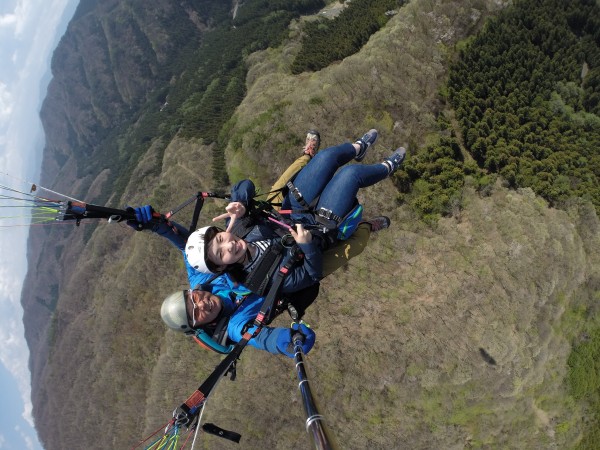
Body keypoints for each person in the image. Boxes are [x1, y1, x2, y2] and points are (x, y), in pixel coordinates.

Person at [184, 129, 406, 294]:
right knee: (350, 175)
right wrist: (307, 245)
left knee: (325, 158)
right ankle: (386, 168)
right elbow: (312, 274)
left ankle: (358, 148)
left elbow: (246, 186)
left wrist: (239, 201)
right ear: (222, 266)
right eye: (221, 253)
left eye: (221, 238)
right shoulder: (260, 279)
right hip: (317, 229)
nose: (229, 244)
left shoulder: (239, 228)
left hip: (294, 209)